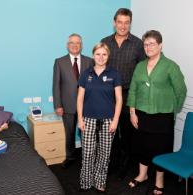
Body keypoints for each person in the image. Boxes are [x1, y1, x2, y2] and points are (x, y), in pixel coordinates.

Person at [127, 30, 187, 195]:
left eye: (152, 43)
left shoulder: (170, 66)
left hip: (162, 117)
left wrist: (171, 109)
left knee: (161, 149)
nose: (148, 47)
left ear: (160, 45)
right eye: (146, 44)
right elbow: (132, 90)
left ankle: (159, 181)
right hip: (141, 115)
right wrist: (132, 112)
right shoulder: (139, 66)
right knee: (141, 146)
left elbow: (181, 91)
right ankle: (142, 175)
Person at [100, 8, 146, 177]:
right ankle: (110, 163)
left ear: (130, 23)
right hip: (108, 94)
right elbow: (99, 67)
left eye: (126, 22)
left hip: (128, 95)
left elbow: (143, 71)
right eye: (120, 22)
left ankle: (124, 167)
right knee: (109, 132)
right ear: (114, 22)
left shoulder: (138, 44)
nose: (123, 26)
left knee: (127, 133)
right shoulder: (105, 42)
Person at [77, 43, 122, 192]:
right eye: (98, 54)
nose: (101, 57)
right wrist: (80, 119)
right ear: (93, 55)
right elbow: (80, 99)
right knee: (88, 153)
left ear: (108, 56)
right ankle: (85, 181)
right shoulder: (85, 74)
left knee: (104, 154)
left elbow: (119, 100)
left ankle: (100, 181)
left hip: (108, 120)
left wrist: (115, 120)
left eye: (104, 54)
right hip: (88, 119)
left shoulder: (114, 74)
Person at [53, 33, 92, 168]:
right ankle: (69, 157)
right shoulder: (59, 62)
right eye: (72, 43)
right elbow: (56, 85)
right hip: (67, 105)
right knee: (69, 133)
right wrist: (58, 105)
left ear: (81, 46)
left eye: (78, 43)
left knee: (85, 133)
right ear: (67, 45)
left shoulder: (89, 61)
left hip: (86, 106)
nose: (75, 45)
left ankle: (86, 157)